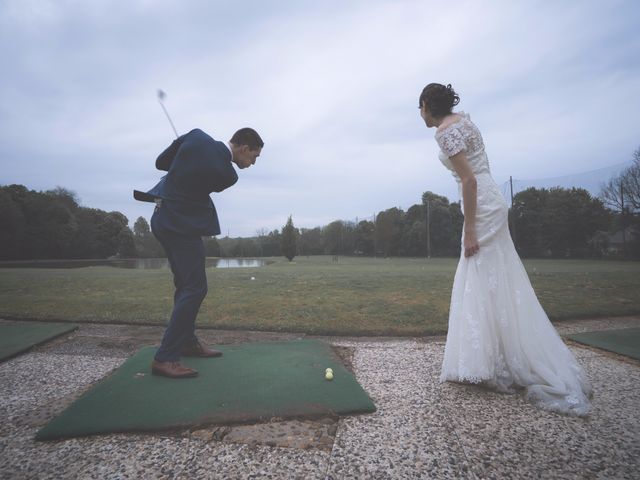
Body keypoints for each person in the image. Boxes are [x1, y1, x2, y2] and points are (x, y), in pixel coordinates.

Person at [418, 83, 591, 415]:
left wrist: (469, 228)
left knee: (478, 271)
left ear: (426, 104)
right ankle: (493, 356)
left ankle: (485, 362)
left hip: (480, 206)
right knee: (494, 276)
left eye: (420, 108)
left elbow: (468, 180)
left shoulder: (444, 131)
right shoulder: (465, 121)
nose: (420, 115)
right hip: (492, 199)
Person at [134, 127, 263, 378]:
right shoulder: (228, 174)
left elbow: (162, 162)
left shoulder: (195, 136)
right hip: (179, 225)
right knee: (195, 288)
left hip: (163, 219)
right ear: (244, 148)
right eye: (254, 157)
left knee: (185, 286)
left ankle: (187, 341)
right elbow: (204, 173)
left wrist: (185, 147)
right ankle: (166, 358)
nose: (252, 163)